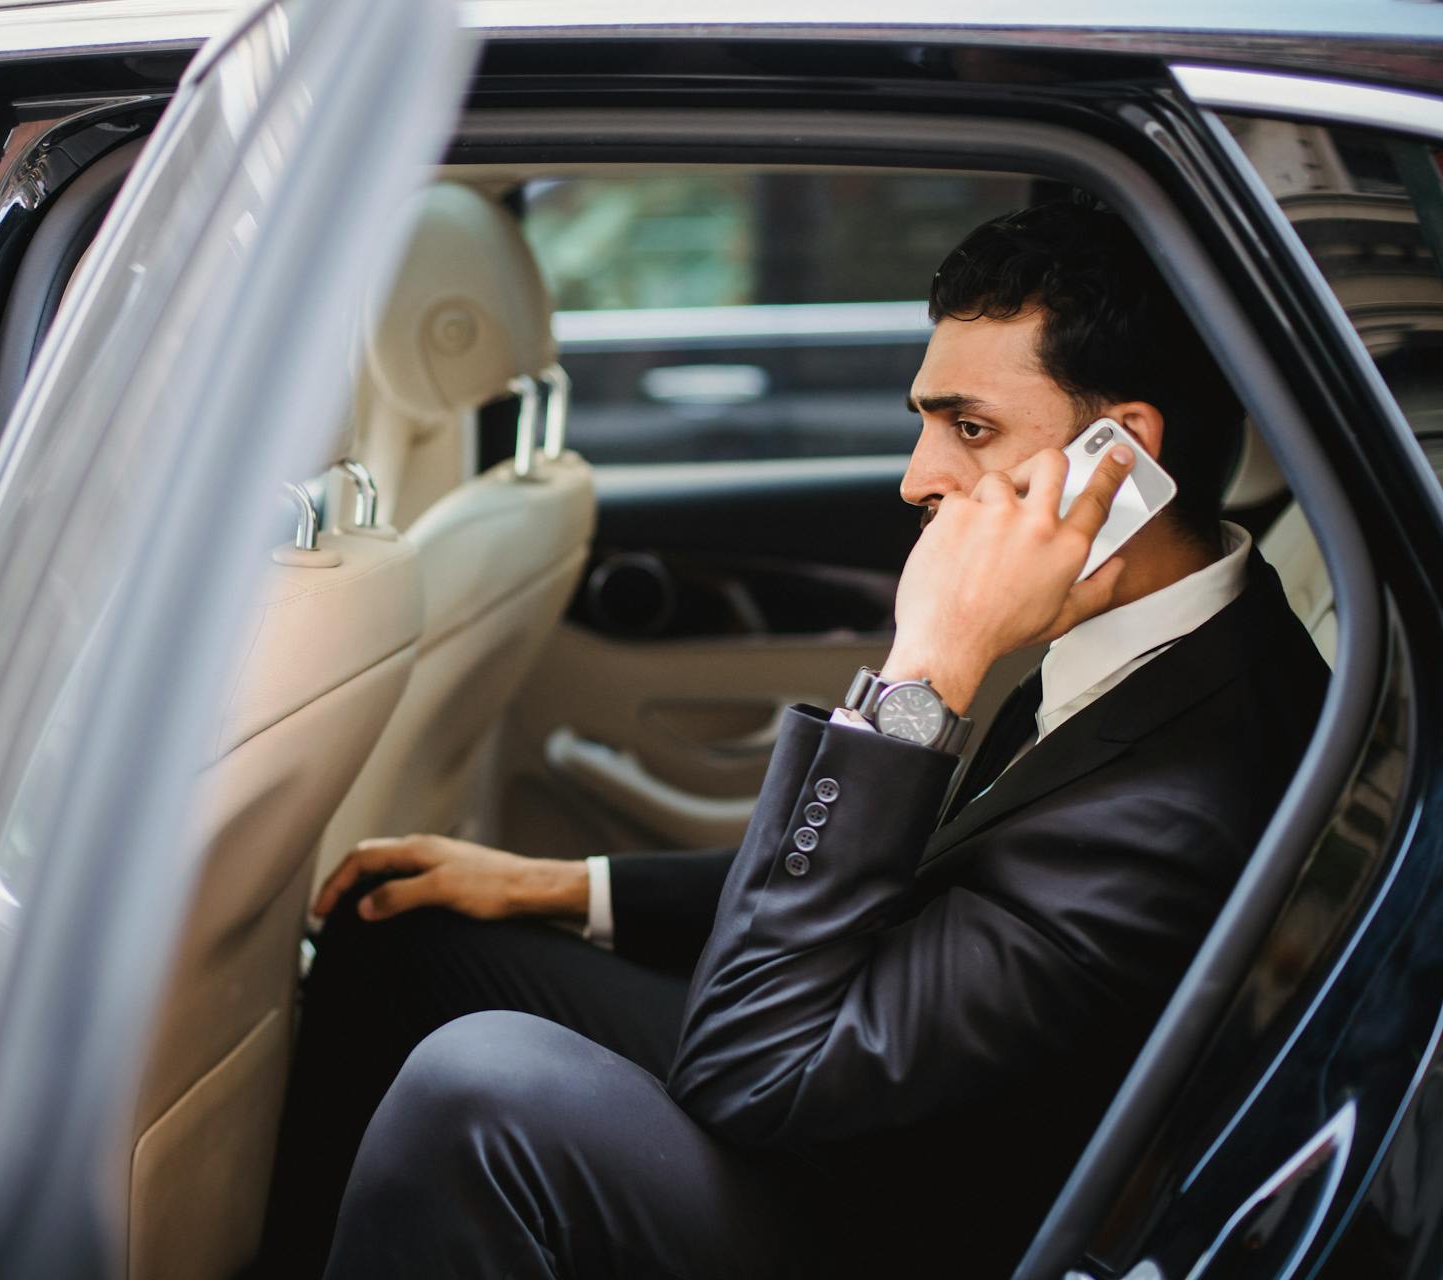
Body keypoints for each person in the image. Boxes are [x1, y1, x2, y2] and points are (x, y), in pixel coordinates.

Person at [255, 199, 1331, 1278]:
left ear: (1123, 459)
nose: (916, 478)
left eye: (968, 428)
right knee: (399, 930)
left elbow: (751, 1070)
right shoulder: (1181, 633)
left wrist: (927, 674)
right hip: (870, 1077)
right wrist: (549, 884)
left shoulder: (1180, 802)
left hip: (912, 1217)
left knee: (478, 1084)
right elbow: (910, 882)